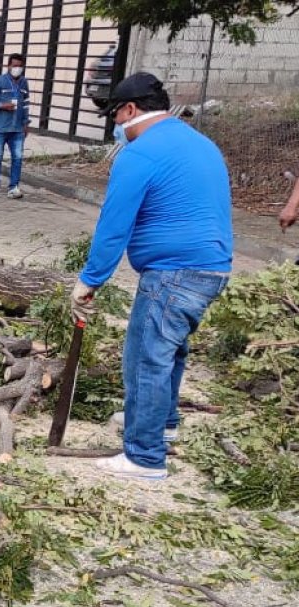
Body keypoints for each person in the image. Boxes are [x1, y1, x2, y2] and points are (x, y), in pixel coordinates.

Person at [71, 72, 232, 480]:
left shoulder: (140, 154)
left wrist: (90, 280)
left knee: (146, 359)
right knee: (171, 351)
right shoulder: (199, 143)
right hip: (212, 268)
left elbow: (114, 225)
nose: (115, 127)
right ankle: (164, 423)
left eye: (114, 116)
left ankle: (144, 457)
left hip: (173, 272)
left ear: (129, 110)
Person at [0, 54, 31, 199]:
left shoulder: (24, 83)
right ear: (8, 66)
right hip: (0, 127)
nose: (17, 69)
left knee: (17, 157)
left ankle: (14, 187)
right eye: (14, 66)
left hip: (17, 128)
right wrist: (2, 105)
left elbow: (26, 104)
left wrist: (26, 123)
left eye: (19, 66)